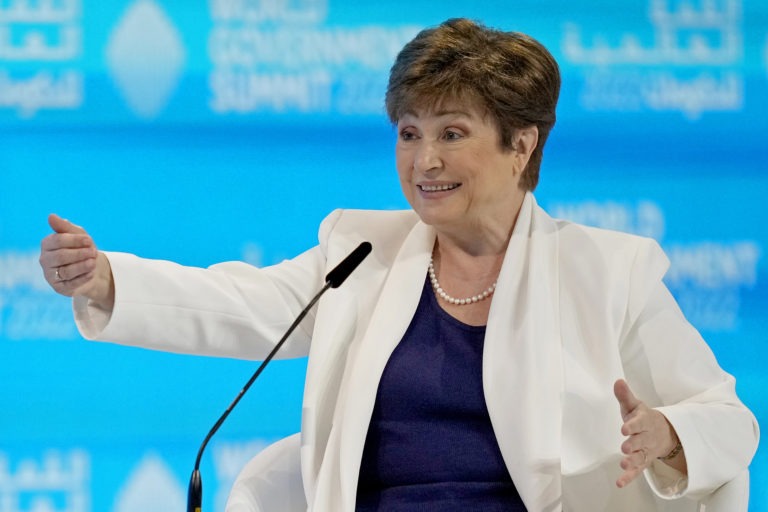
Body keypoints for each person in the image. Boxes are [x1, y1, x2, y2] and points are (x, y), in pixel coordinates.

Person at [39, 18, 757, 512]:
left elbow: (729, 420)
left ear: (521, 145)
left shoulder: (607, 270)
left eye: (453, 133)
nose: (425, 160)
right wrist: (108, 280)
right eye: (409, 133)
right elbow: (245, 306)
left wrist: (667, 436)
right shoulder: (361, 251)